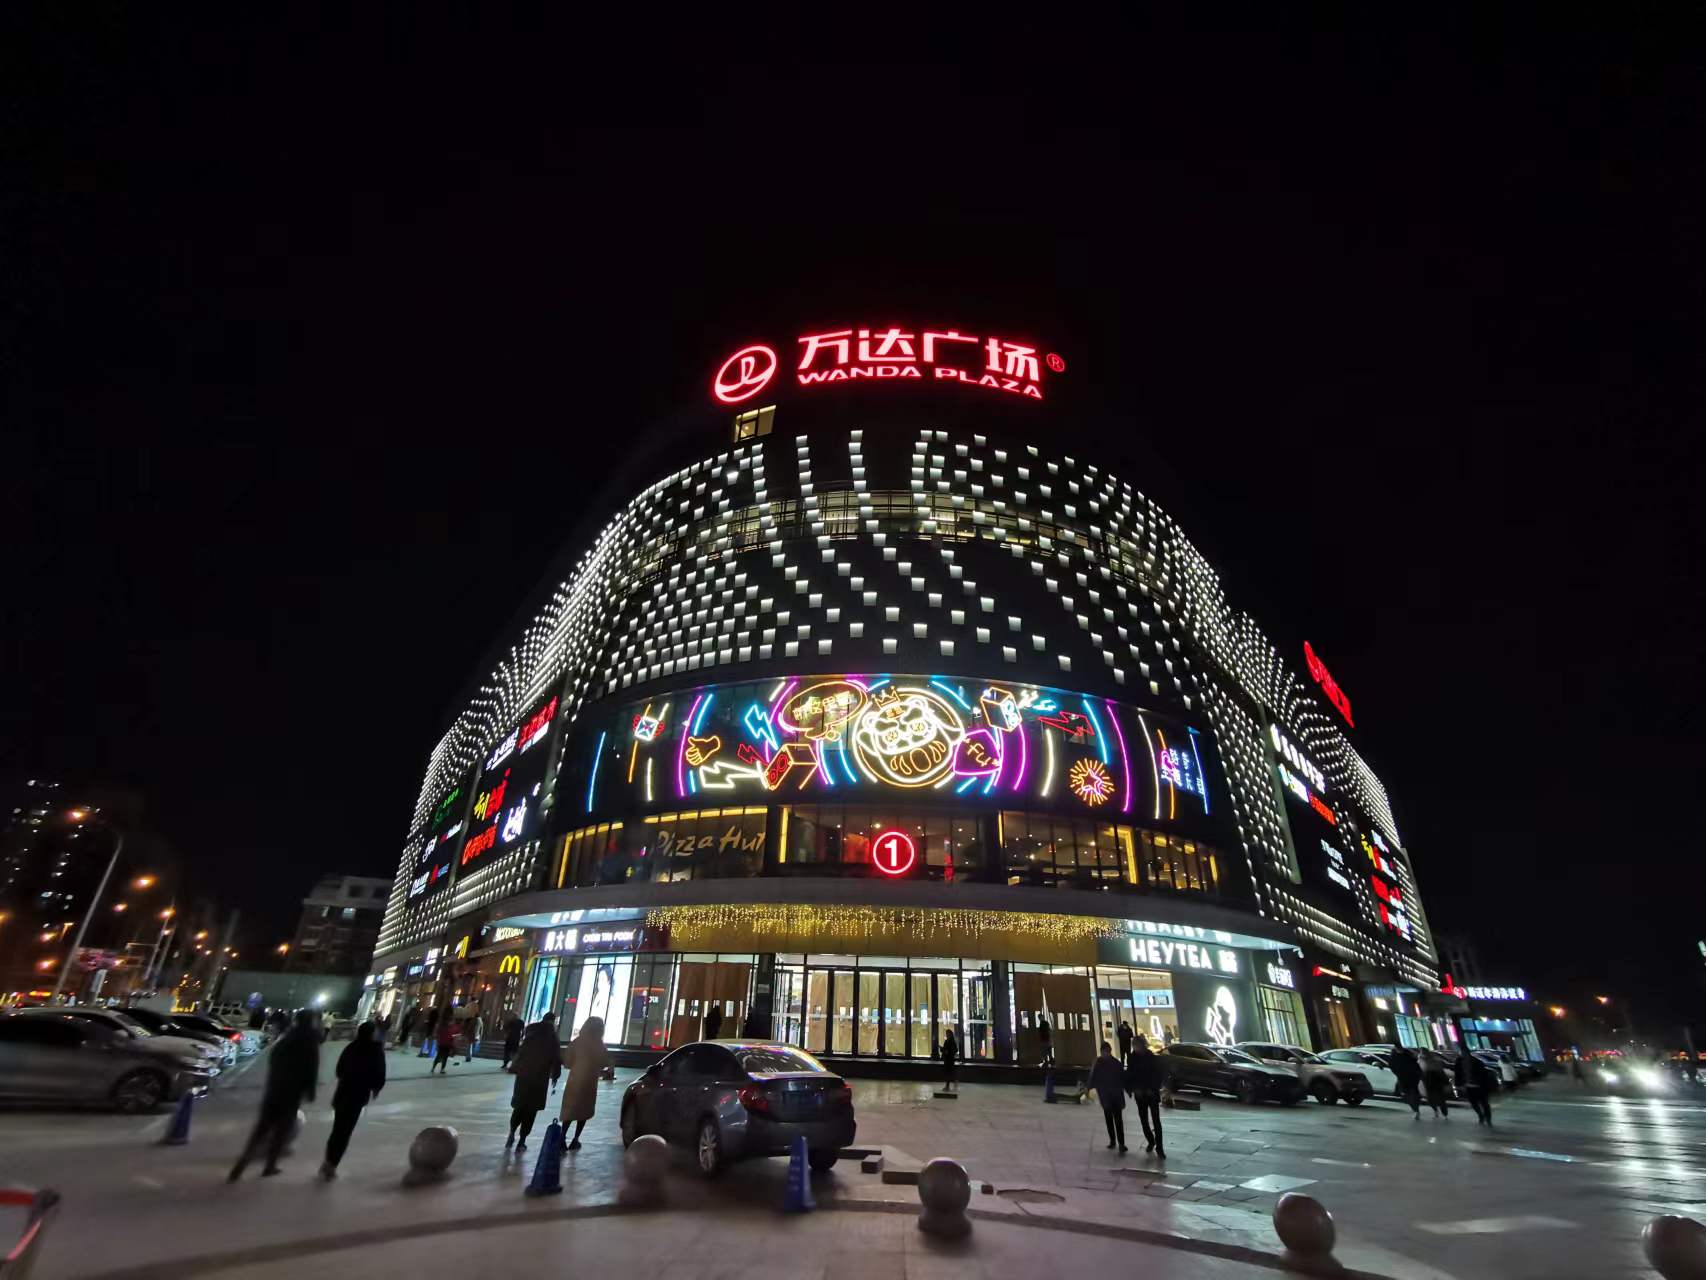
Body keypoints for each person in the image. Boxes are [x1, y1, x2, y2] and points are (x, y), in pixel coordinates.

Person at [229, 1010, 320, 1181]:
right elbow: (311, 1068)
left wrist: (275, 1081)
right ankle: (269, 1166)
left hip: (275, 1090)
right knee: (281, 1131)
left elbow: (274, 1058)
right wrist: (310, 1091)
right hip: (291, 1093)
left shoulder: (286, 1038)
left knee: (261, 1130)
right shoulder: (309, 1041)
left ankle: (241, 1164)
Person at [320, 1021, 386, 1179]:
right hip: (357, 1096)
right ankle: (331, 1165)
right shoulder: (375, 1050)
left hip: (342, 1094)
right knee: (345, 1132)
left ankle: (328, 1161)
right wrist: (375, 1088)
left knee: (337, 1130)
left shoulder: (351, 1047)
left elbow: (339, 1070)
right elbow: (379, 1073)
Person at [506, 1013, 561, 1153]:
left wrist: (515, 1067)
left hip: (524, 1075)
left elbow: (521, 1052)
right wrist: (555, 1075)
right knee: (531, 1110)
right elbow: (556, 1058)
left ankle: (511, 1132)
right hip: (539, 1078)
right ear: (552, 1021)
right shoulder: (552, 1036)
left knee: (519, 1106)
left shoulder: (531, 1032)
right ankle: (522, 1141)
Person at [560, 1015, 613, 1150]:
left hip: (575, 1080)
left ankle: (562, 1136)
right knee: (584, 1111)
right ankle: (575, 1139)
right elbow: (603, 1063)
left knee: (570, 1109)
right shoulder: (600, 1045)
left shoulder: (577, 1042)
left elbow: (567, 1062)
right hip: (590, 1082)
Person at [1125, 1033, 1165, 1157]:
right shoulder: (1132, 1058)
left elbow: (1157, 1075)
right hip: (1140, 1094)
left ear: (1142, 1045)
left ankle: (1159, 1147)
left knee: (1156, 1120)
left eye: (1136, 1045)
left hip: (1151, 1093)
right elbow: (1130, 1075)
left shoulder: (1151, 1057)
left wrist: (1152, 1089)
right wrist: (1133, 1089)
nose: (1135, 1047)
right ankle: (1151, 1141)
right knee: (1144, 1120)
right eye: (1133, 1045)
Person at [1089, 1040, 1127, 1153]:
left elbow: (1122, 1078)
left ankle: (1121, 1143)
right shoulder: (1098, 1063)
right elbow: (1093, 1077)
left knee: (1118, 1120)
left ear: (1110, 1051)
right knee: (1109, 1119)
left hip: (1115, 1096)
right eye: (1103, 1052)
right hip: (1106, 1096)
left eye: (1106, 1051)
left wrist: (1127, 1089)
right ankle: (1113, 1140)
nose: (1105, 1054)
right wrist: (1089, 1087)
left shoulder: (1116, 1064)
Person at [1456, 1051, 1494, 1126]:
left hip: (1479, 1086)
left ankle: (1488, 1118)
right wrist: (1460, 1084)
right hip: (1469, 1087)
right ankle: (1481, 1115)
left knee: (1484, 1103)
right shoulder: (1459, 1063)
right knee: (1474, 1103)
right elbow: (1457, 1074)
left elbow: (1484, 1074)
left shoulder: (1476, 1062)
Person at [1388, 1045, 1423, 1119]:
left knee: (1413, 1093)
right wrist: (1398, 1073)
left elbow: (1415, 1064)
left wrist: (1418, 1073)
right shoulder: (1393, 1057)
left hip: (1412, 1077)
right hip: (1402, 1078)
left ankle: (1416, 1109)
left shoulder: (1408, 1054)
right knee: (1406, 1095)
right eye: (1398, 1049)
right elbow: (1392, 1067)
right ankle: (1415, 1108)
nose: (1400, 1050)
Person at [1419, 1048, 1451, 1117]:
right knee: (1431, 1098)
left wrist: (1445, 1082)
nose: (1422, 1054)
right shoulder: (1421, 1061)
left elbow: (1441, 1072)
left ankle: (1443, 1112)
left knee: (1439, 1098)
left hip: (1435, 1080)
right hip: (1428, 1081)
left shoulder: (1434, 1060)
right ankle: (1438, 1111)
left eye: (1423, 1052)